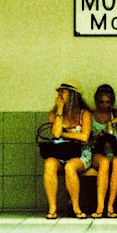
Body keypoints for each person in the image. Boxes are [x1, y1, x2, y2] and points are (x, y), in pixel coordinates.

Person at [42, 79, 91, 219]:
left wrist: (64, 134)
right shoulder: (53, 114)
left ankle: (76, 207)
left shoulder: (84, 114)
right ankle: (52, 208)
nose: (59, 94)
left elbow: (84, 137)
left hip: (80, 153)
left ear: (72, 94)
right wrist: (59, 110)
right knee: (49, 164)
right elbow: (56, 133)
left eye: (62, 91)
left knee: (70, 167)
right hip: (60, 152)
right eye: (58, 91)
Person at [86, 84, 117, 218]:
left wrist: (112, 122)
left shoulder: (114, 112)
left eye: (108, 102)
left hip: (115, 150)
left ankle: (110, 206)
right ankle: (100, 206)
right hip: (97, 150)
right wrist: (96, 135)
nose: (105, 105)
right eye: (102, 102)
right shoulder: (91, 115)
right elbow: (86, 135)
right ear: (96, 101)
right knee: (104, 163)